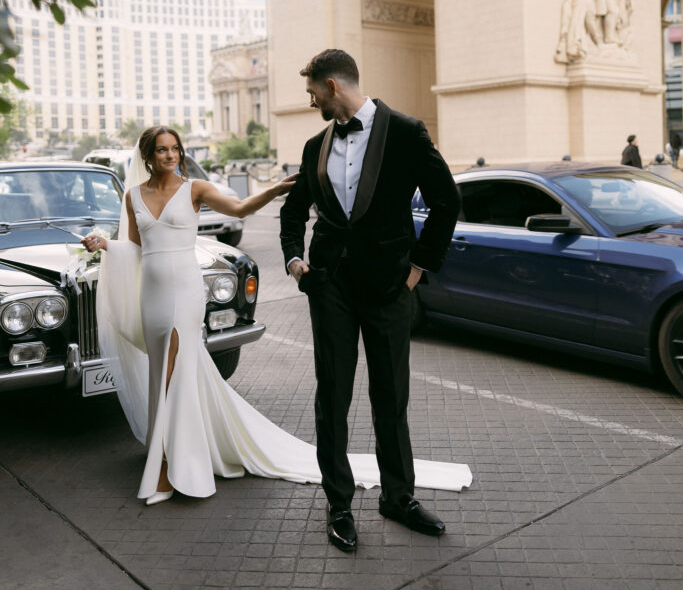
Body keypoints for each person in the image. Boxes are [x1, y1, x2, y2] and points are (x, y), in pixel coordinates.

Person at [83, 126, 471, 510]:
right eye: (162, 150)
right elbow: (134, 247)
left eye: (175, 149)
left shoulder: (194, 190)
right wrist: (105, 245)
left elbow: (239, 209)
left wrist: (272, 190)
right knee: (161, 376)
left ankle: (173, 469)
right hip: (151, 294)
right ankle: (170, 456)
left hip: (184, 293)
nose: (170, 156)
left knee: (175, 375)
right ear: (148, 156)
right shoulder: (134, 195)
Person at [280, 49, 470, 553]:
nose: (310, 99)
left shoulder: (406, 131)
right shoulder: (314, 144)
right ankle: (339, 504)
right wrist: (295, 262)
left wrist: (417, 268)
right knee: (332, 399)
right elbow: (294, 211)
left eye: (312, 91)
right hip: (330, 289)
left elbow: (446, 200)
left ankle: (398, 498)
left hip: (389, 289)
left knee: (391, 398)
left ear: (333, 86)